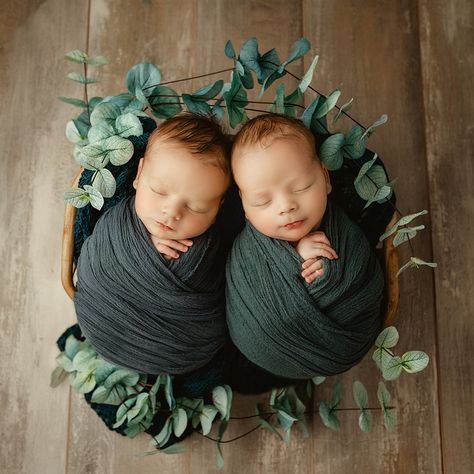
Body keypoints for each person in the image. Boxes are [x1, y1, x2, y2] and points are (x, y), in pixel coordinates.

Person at [226, 113, 385, 382]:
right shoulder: (246, 250)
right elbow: (245, 300)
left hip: (344, 340)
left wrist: (329, 273)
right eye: (262, 201)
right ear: (243, 204)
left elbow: (365, 276)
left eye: (300, 187)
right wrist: (295, 262)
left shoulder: (346, 232)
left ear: (325, 177)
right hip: (265, 347)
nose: (285, 206)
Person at [74, 112, 235, 377]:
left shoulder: (216, 246)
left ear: (219, 208)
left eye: (196, 207)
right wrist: (139, 250)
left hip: (180, 347)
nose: (171, 213)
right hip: (101, 318)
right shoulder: (118, 222)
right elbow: (94, 257)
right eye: (159, 191)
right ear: (138, 175)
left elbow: (228, 297)